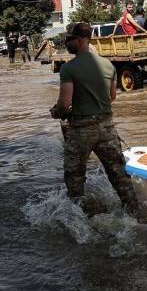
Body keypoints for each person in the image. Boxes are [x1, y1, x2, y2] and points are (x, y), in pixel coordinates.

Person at [50, 22, 139, 215]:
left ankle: (78, 217)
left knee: (74, 177)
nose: (66, 42)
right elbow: (111, 97)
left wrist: (56, 112)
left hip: (81, 130)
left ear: (81, 40)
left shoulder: (69, 68)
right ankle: (134, 214)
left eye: (69, 39)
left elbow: (64, 104)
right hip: (107, 128)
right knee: (119, 175)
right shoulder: (108, 65)